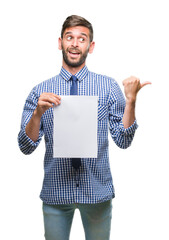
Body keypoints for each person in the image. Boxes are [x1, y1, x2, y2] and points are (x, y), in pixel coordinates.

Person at [18, 15, 151, 240]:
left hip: (97, 192)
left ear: (91, 46)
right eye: (70, 37)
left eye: (82, 38)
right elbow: (25, 146)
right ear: (60, 43)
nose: (75, 43)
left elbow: (123, 140)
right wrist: (37, 114)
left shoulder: (108, 87)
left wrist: (131, 102)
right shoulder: (40, 90)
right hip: (56, 193)